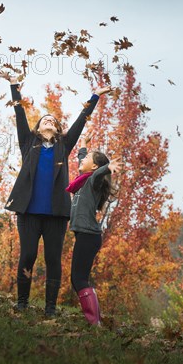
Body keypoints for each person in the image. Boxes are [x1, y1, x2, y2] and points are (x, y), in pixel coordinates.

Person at [0, 70, 111, 316]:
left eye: (53, 120)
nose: (48, 121)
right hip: (28, 211)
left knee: (52, 259)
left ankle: (50, 307)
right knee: (27, 255)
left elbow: (81, 121)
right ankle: (22, 303)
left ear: (58, 128)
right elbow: (19, 114)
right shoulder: (29, 142)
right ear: (38, 127)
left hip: (56, 214)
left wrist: (95, 97)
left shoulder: (63, 145)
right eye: (44, 119)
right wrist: (14, 85)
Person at [67, 133, 121, 325]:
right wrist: (83, 145)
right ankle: (94, 320)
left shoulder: (93, 181)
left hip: (89, 236)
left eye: (89, 159)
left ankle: (94, 322)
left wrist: (107, 168)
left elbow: (98, 173)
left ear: (96, 167)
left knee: (79, 279)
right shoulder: (82, 181)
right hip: (85, 236)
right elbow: (82, 159)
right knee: (78, 279)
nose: (83, 160)